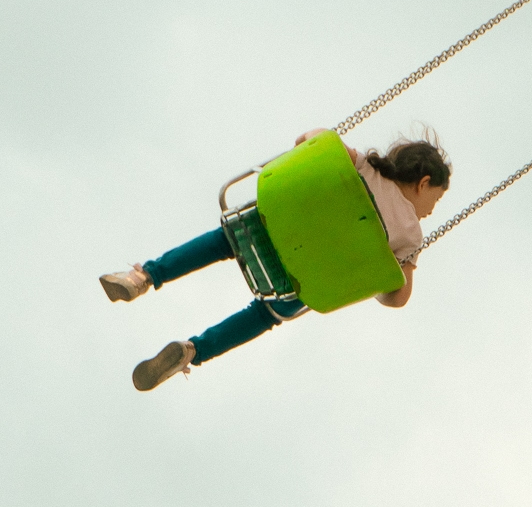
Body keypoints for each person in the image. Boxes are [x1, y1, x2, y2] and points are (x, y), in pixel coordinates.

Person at [100, 134, 449, 391]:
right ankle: (193, 351)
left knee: (226, 240)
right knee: (266, 314)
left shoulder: (365, 167)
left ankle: (144, 277)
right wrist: (378, 277)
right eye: (436, 199)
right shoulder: (412, 236)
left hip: (277, 229)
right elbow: (398, 297)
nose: (432, 210)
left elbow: (312, 141)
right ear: (423, 183)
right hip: (301, 277)